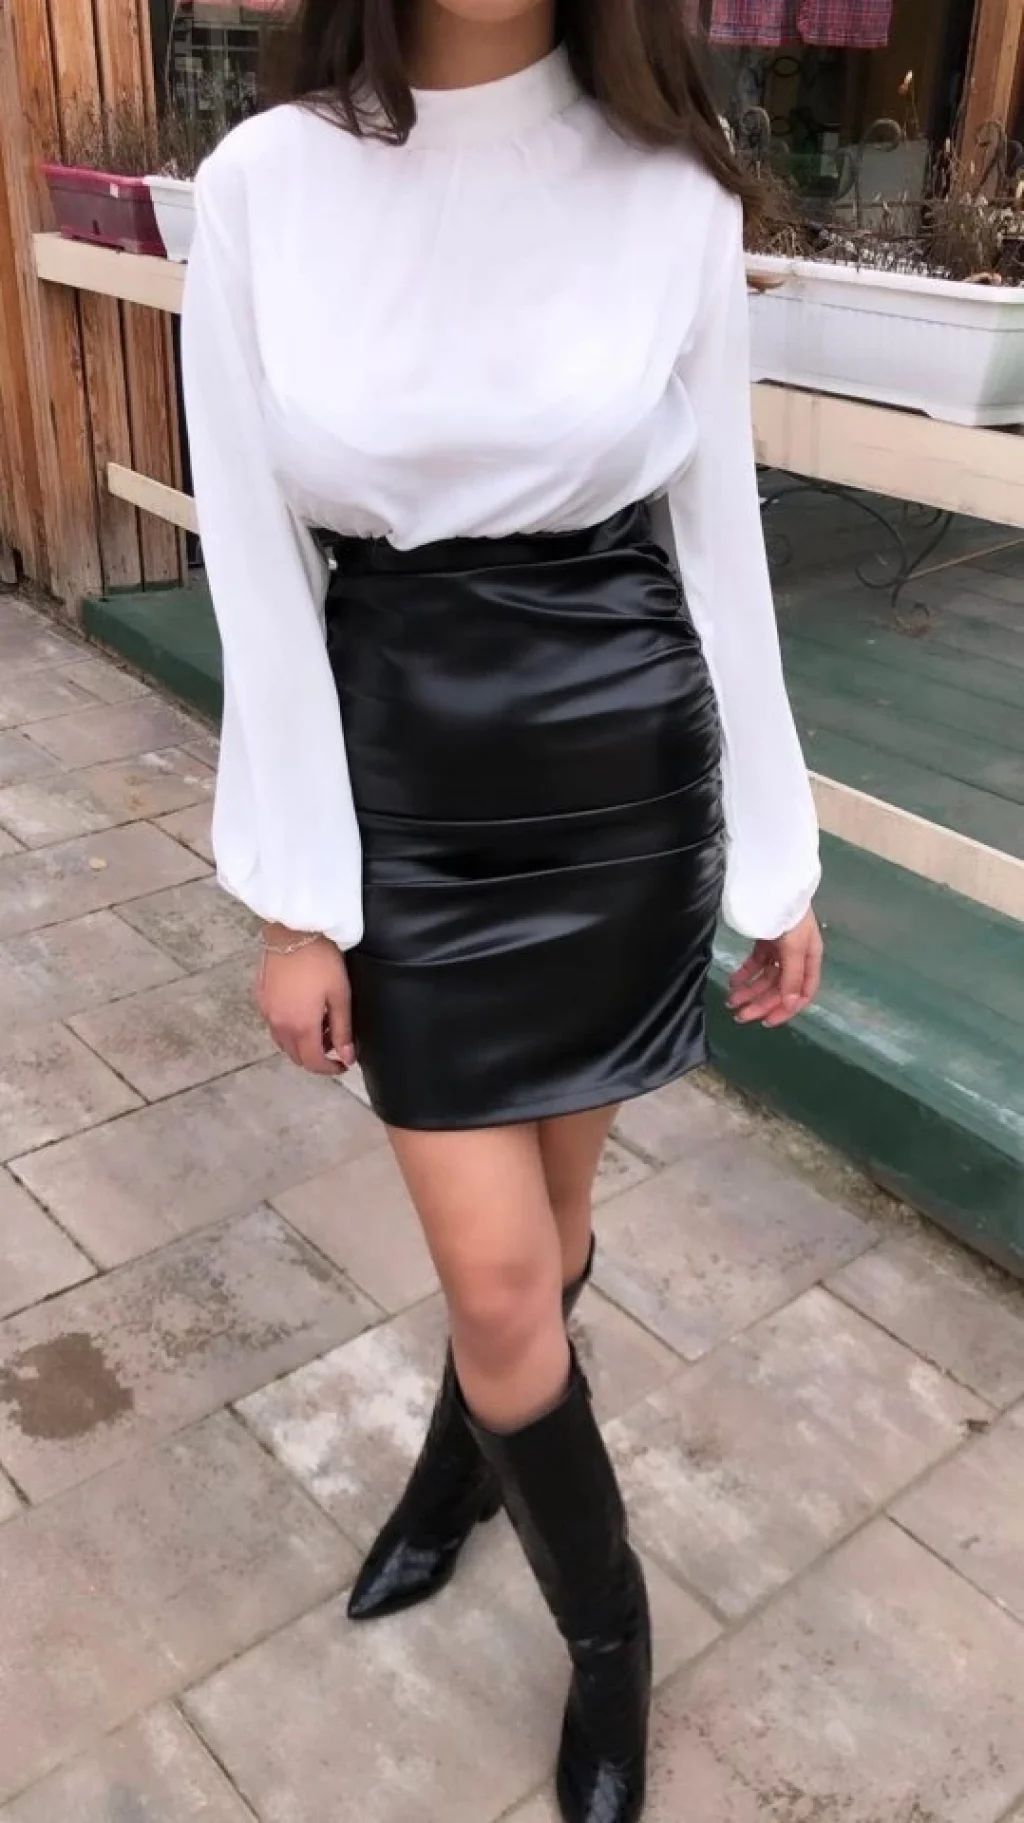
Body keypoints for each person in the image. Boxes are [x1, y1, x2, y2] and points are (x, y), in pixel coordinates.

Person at [181, 1, 823, 1816]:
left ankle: (463, 1465)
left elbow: (721, 541)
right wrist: (297, 901)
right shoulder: (263, 183)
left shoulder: (669, 192)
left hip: (624, 781)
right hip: (405, 792)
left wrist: (777, 858)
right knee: (498, 1272)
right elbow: (252, 563)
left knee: (546, 1230)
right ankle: (613, 1637)